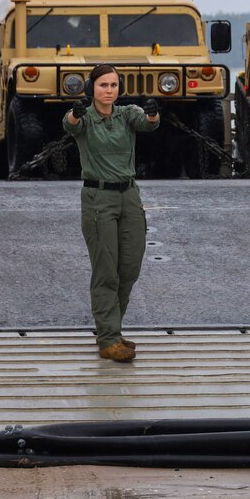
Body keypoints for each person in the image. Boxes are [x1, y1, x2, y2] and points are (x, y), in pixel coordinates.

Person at [63, 64, 159, 362]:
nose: (109, 90)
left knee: (129, 267)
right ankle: (108, 338)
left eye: (114, 85)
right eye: (103, 85)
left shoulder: (127, 114)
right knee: (106, 269)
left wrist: (153, 112)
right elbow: (70, 125)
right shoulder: (85, 117)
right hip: (98, 197)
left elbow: (148, 125)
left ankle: (111, 329)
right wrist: (76, 113)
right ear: (92, 89)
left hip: (129, 195)